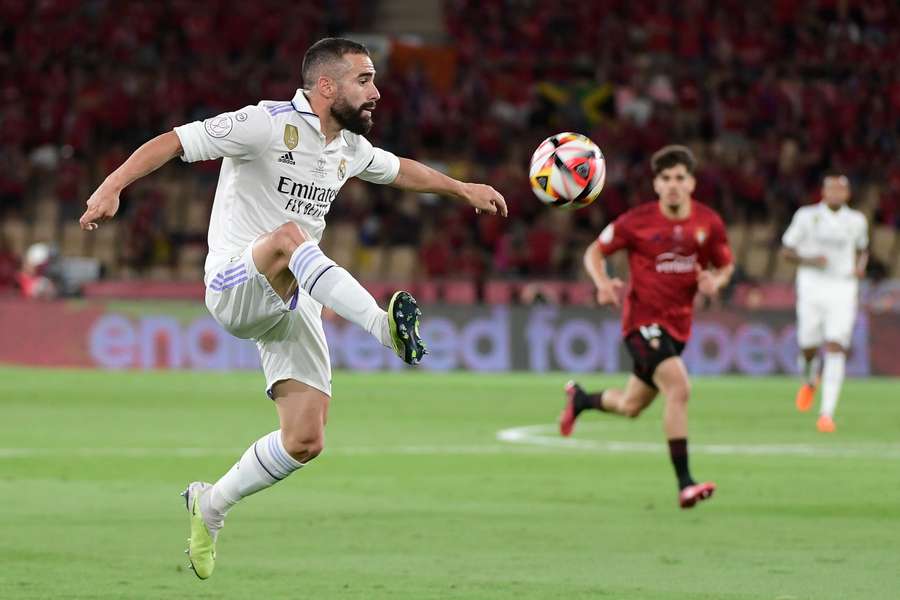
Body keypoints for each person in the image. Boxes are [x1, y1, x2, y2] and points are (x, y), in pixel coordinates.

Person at [79, 38, 507, 579]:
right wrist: (113, 186)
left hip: (291, 290)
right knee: (289, 235)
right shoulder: (263, 124)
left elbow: (401, 170)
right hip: (234, 281)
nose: (376, 92)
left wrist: (462, 188)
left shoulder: (347, 148)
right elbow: (174, 141)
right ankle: (382, 328)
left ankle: (210, 504)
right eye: (365, 80)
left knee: (305, 439)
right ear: (326, 86)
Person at [557, 145, 733, 509]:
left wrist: (716, 281)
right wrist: (603, 283)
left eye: (679, 178)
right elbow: (594, 252)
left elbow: (724, 264)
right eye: (665, 178)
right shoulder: (635, 221)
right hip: (641, 324)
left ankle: (583, 400)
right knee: (679, 389)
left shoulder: (708, 223)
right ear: (656, 184)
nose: (673, 185)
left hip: (678, 329)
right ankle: (685, 483)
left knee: (631, 405)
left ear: (692, 183)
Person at [781, 173, 868, 433]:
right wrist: (810, 260)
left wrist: (860, 267)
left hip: (843, 287)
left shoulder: (857, 220)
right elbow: (786, 250)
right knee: (808, 346)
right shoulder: (806, 216)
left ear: (847, 194)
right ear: (823, 192)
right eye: (831, 189)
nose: (836, 194)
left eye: (841, 190)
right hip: (811, 286)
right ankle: (809, 380)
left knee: (835, 345)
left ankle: (826, 413)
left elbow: (863, 248)